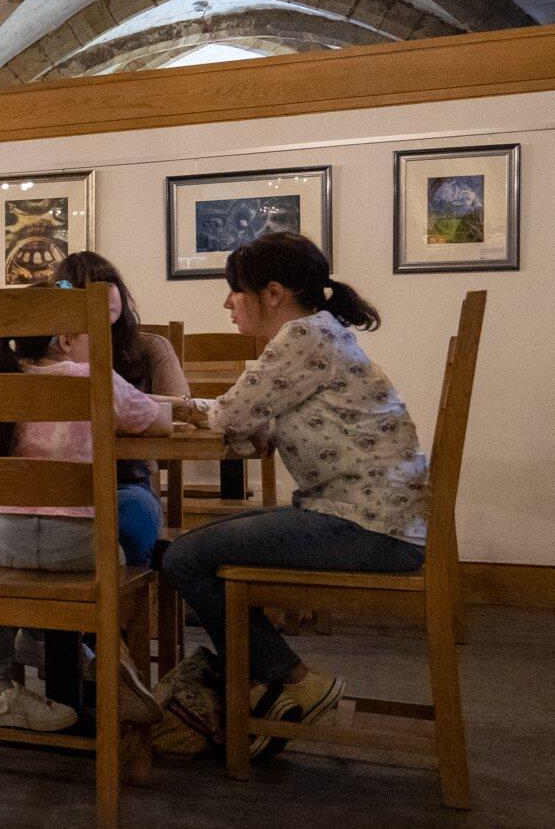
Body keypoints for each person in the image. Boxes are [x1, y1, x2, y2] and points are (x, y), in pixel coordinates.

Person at [162, 232, 426, 738]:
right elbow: (257, 421)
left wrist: (163, 406)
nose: (226, 302)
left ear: (274, 294)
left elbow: (229, 415)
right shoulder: (323, 333)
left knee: (184, 558)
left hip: (367, 528)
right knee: (206, 546)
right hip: (378, 519)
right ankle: (266, 690)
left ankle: (292, 681)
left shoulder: (303, 336)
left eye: (235, 290)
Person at [0, 324, 172, 732]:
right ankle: (111, 661)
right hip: (77, 547)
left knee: (16, 576)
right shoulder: (93, 378)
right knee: (113, 562)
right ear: (65, 340)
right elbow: (159, 424)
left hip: (3, 542)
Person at [51, 252, 190, 567]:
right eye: (84, 288)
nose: (104, 294)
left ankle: (131, 607)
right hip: (50, 485)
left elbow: (182, 411)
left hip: (127, 481)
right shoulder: (43, 355)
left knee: (129, 513)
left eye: (108, 283)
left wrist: (114, 406)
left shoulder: (151, 347)